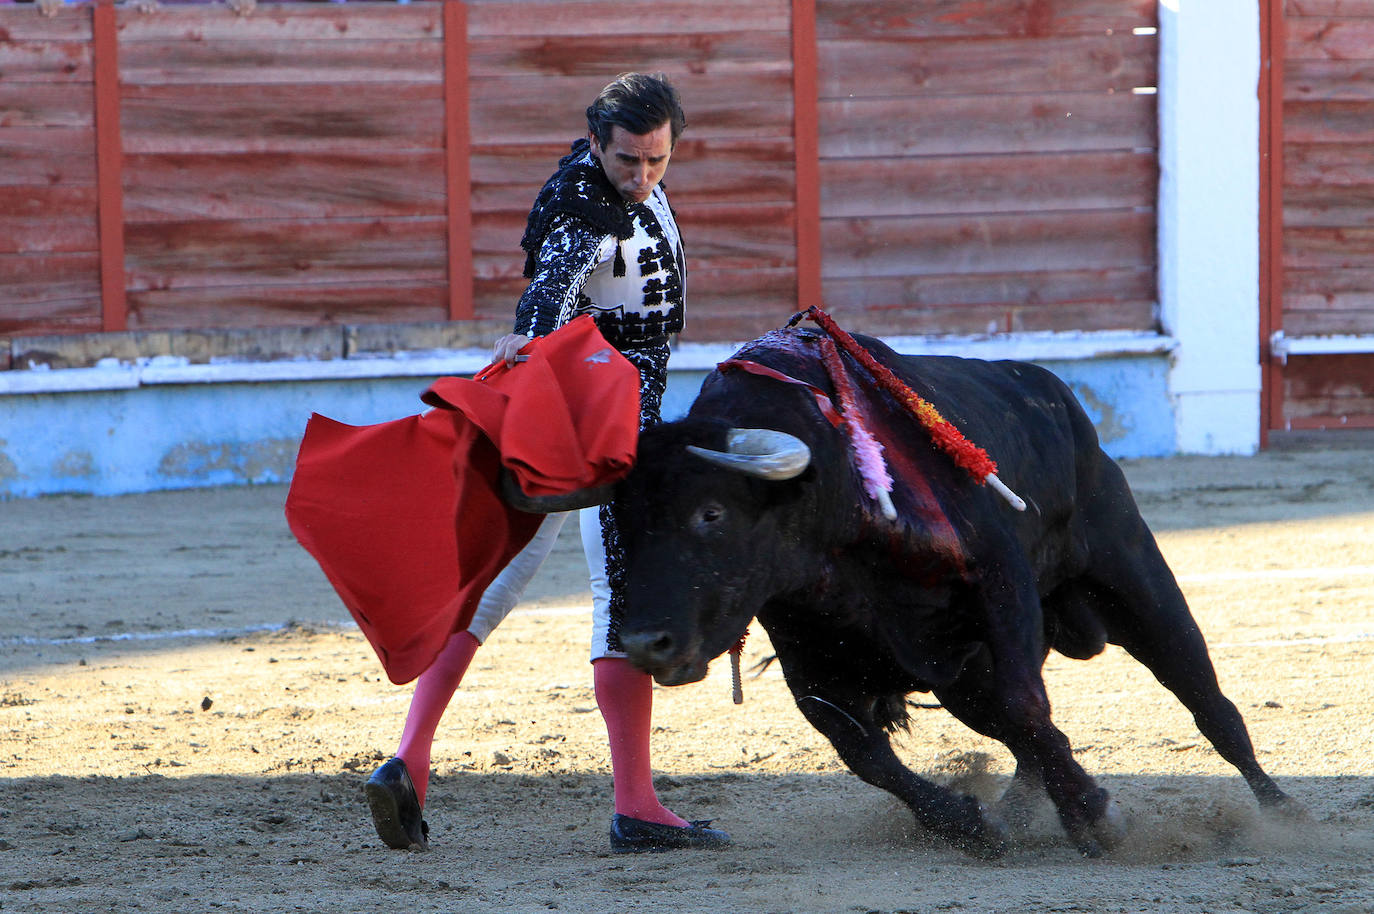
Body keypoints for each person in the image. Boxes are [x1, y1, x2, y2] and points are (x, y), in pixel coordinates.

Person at [364, 73, 730, 855]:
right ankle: (636, 805)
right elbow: (551, 287)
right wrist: (526, 340)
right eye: (628, 161)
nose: (640, 177)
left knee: (499, 583)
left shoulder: (609, 180)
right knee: (620, 590)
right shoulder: (584, 209)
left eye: (656, 162)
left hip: (583, 413)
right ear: (597, 143)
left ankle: (410, 760)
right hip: (596, 424)